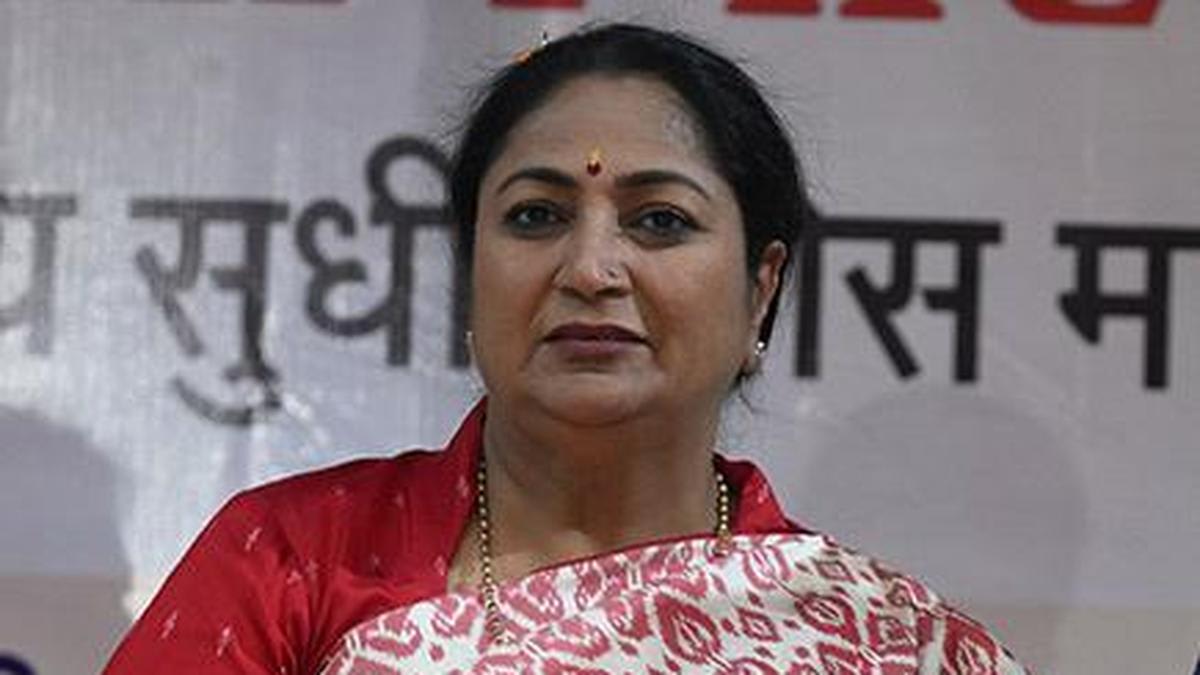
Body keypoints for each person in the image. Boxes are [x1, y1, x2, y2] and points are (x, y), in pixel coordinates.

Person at [104, 23, 1028, 674]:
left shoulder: (877, 642)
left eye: (660, 220)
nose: (590, 268)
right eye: (536, 215)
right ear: (471, 269)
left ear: (762, 287)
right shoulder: (294, 562)